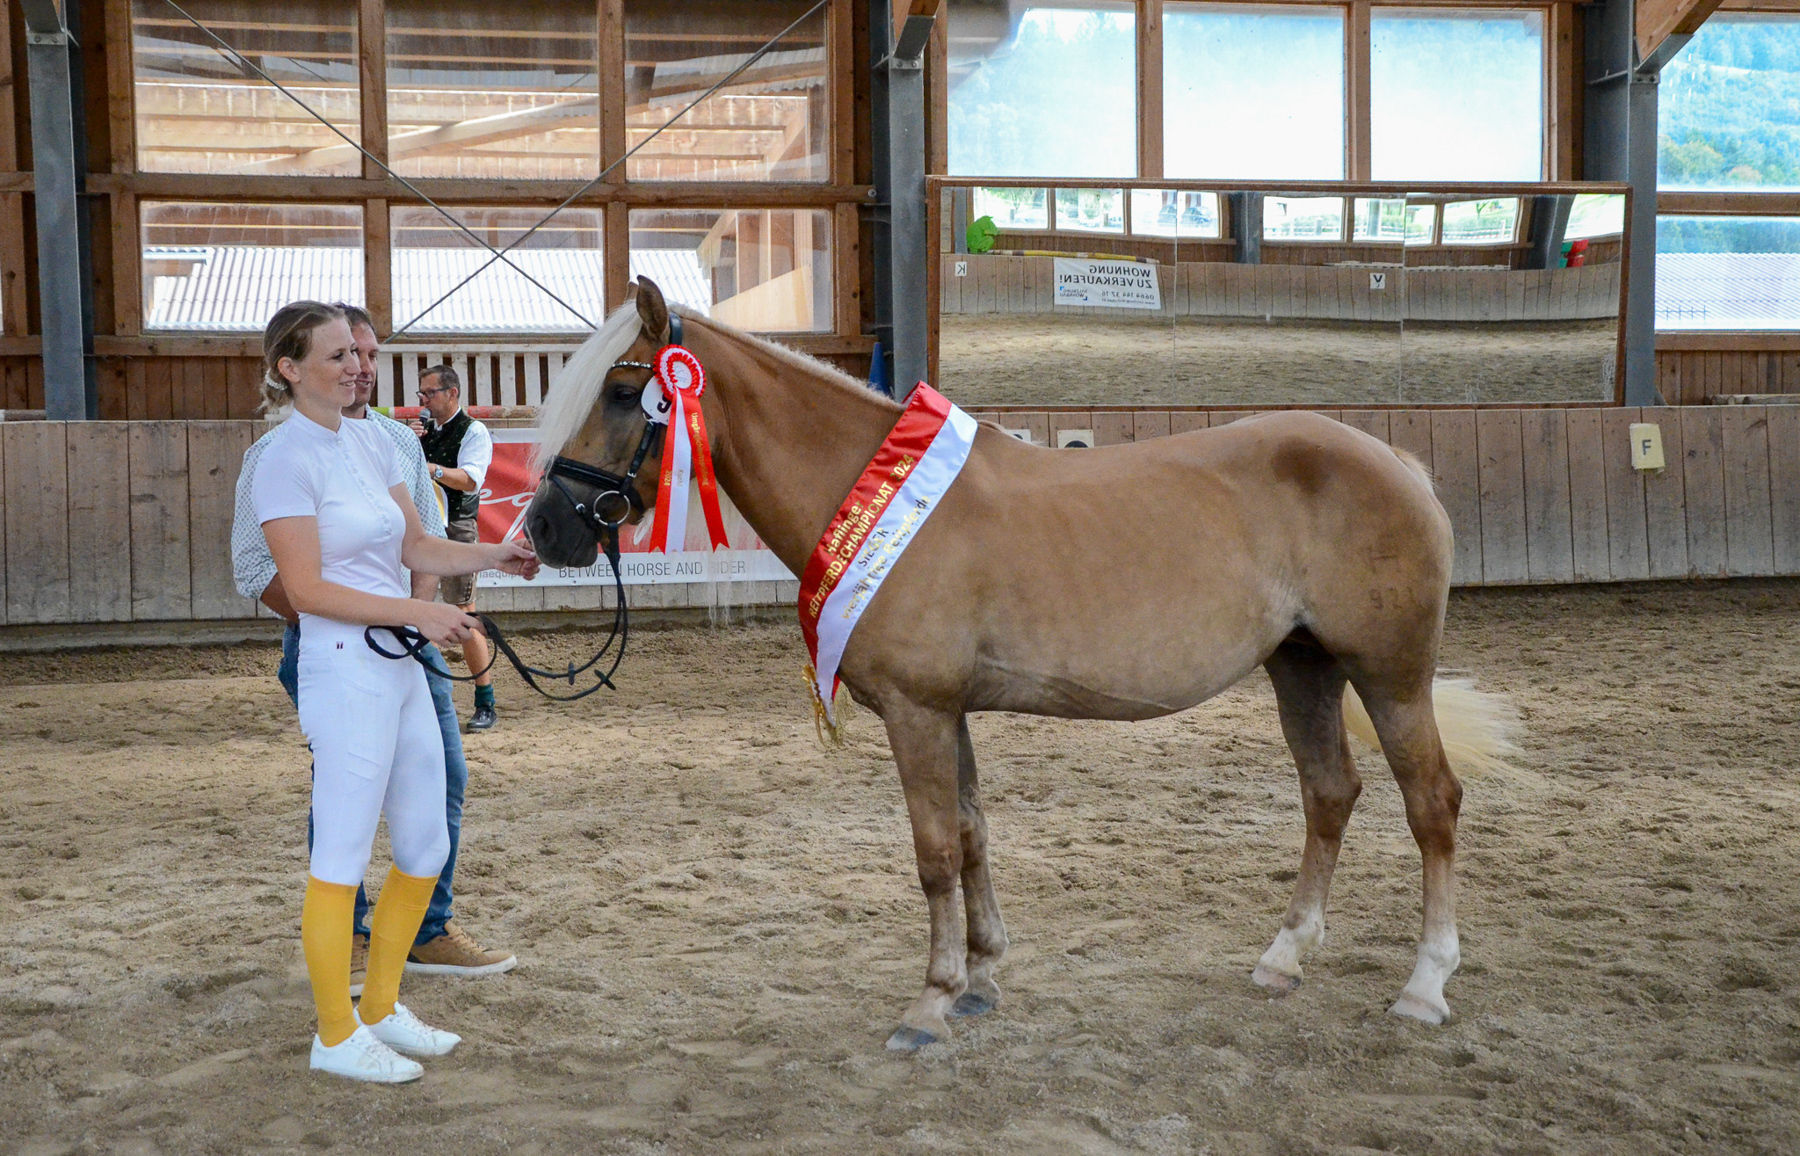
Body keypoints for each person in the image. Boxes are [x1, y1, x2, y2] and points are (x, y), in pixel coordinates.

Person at [240, 301, 538, 1082]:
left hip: (402, 664)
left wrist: (499, 556)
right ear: (290, 369)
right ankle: (334, 1033)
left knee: (424, 845)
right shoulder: (281, 457)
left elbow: (412, 543)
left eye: (358, 354)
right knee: (339, 852)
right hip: (344, 666)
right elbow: (303, 589)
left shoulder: (374, 441)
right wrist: (423, 611)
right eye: (337, 356)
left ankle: (378, 1007)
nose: (356, 366)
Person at [412, 364, 500, 731]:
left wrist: (430, 467)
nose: (423, 401)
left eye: (429, 393)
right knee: (413, 609)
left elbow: (470, 481)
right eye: (421, 395)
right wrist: (410, 444)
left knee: (464, 611)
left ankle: (485, 699)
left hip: (455, 528)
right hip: (421, 529)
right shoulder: (423, 431)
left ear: (452, 393)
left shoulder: (473, 431)